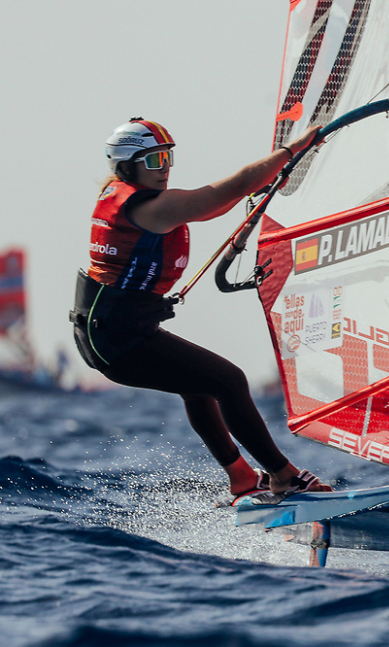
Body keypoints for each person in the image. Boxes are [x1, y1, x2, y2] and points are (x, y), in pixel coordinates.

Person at [71, 117, 332, 498]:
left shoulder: (122, 195)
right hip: (117, 339)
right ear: (127, 165)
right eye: (154, 161)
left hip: (110, 332)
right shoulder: (149, 208)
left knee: (201, 387)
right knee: (229, 381)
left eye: (168, 158)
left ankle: (243, 478)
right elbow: (231, 189)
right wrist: (293, 151)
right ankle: (282, 475)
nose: (165, 170)